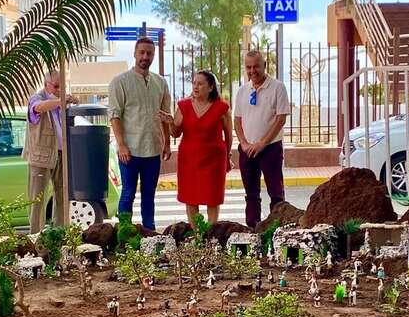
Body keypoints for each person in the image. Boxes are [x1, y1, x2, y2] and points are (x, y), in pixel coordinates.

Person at [109, 37, 171, 231]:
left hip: (152, 148)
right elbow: (114, 115)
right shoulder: (120, 82)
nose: (145, 56)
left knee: (149, 194)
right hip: (129, 150)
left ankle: (149, 231)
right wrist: (121, 145)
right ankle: (124, 231)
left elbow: (165, 116)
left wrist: (167, 143)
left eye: (149, 53)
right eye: (142, 52)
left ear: (153, 55)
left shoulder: (160, 83)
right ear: (134, 54)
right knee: (128, 193)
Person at [234, 51, 291, 229]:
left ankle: (277, 229)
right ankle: (253, 228)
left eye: (256, 66)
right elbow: (237, 120)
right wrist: (244, 143)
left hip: (270, 149)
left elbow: (281, 119)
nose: (252, 71)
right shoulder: (243, 91)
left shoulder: (277, 88)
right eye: (248, 67)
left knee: (276, 193)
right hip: (247, 150)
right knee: (251, 194)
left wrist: (262, 143)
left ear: (264, 66)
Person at [167, 71, 232, 226]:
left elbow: (228, 136)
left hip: (214, 161)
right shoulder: (183, 106)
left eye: (200, 84)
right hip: (189, 160)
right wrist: (170, 122)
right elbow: (175, 133)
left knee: (212, 198)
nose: (196, 87)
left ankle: (210, 232)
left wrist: (227, 157)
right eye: (194, 83)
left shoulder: (222, 108)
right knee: (190, 197)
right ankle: (197, 234)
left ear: (211, 87)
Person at [24, 71, 78, 234]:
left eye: (62, 86)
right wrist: (60, 101)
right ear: (46, 84)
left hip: (61, 155)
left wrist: (70, 101)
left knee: (62, 196)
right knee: (37, 200)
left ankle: (58, 234)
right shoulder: (37, 98)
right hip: (40, 158)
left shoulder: (61, 101)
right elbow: (38, 107)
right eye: (56, 86)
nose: (59, 89)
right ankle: (35, 237)